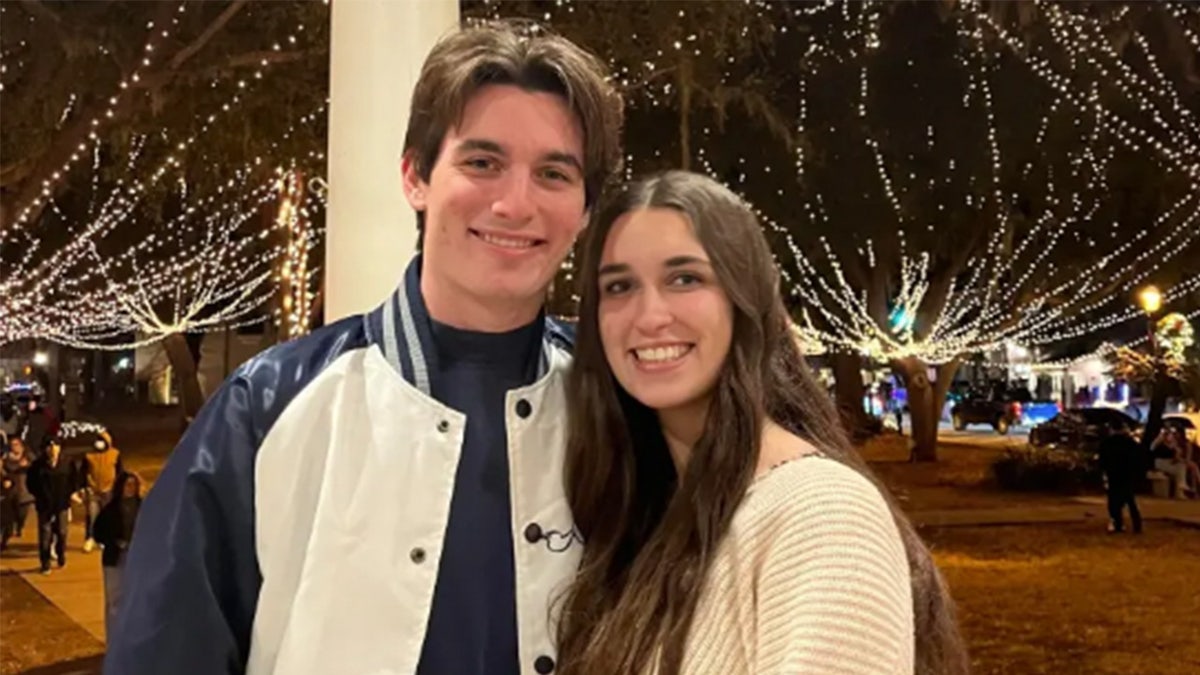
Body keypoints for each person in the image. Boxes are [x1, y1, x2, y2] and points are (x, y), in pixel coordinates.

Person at [105, 22, 623, 675]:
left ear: (584, 209)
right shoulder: (265, 409)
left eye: (553, 172)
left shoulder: (618, 406)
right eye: (482, 162)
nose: (515, 203)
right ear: (415, 176)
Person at [555, 172, 968, 675]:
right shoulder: (642, 518)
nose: (649, 315)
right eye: (619, 287)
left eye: (685, 278)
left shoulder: (819, 515)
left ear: (745, 299)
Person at [93, 471, 145, 639]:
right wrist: (115, 541)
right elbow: (98, 532)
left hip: (138, 556)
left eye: (133, 485)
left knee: (137, 598)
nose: (130, 488)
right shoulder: (111, 509)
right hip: (115, 558)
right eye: (127, 484)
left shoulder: (143, 507)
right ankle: (114, 638)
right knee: (115, 598)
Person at [27, 439, 82, 574]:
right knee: (45, 535)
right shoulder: (37, 465)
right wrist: (40, 496)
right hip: (44, 505)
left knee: (62, 532)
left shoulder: (67, 463)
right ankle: (45, 563)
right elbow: (31, 483)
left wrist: (71, 494)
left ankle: (60, 553)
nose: (52, 449)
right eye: (49, 446)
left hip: (61, 503)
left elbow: (74, 480)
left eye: (55, 446)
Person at [1097, 420, 1143, 533]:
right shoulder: (1130, 443)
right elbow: (1137, 458)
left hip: (1113, 473)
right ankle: (1137, 524)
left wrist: (1103, 472)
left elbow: (1102, 460)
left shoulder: (1106, 443)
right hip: (1127, 473)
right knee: (1130, 499)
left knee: (1114, 499)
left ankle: (1117, 522)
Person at [81, 430, 122, 553]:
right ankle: (90, 538)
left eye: (102, 441)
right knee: (92, 516)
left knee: (107, 517)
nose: (99, 443)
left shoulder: (115, 454)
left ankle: (105, 539)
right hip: (93, 490)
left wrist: (117, 487)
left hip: (108, 490)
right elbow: (83, 472)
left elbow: (119, 471)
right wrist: (84, 487)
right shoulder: (89, 456)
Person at [1, 437, 36, 545]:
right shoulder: (6, 459)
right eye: (12, 444)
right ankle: (9, 532)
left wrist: (27, 465)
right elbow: (5, 472)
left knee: (22, 513)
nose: (14, 447)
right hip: (12, 491)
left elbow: (36, 467)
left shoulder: (28, 457)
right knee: (10, 514)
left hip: (26, 491)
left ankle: (19, 526)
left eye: (16, 444)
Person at [1151, 426, 1199, 499]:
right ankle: (1183, 487)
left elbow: (1177, 456)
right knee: (1184, 467)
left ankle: (1183, 489)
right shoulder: (1160, 441)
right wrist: (1160, 438)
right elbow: (1152, 448)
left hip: (1170, 462)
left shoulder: (1175, 443)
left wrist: (1177, 453)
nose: (1173, 435)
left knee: (1183, 467)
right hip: (1160, 462)